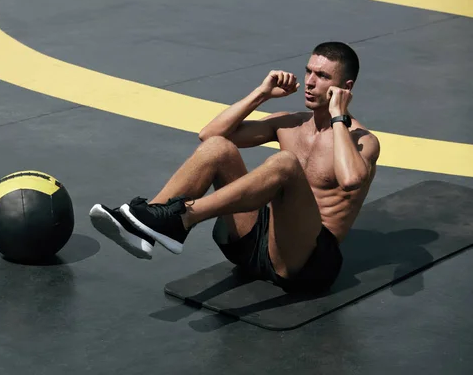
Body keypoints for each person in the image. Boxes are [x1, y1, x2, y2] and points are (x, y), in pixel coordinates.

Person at [89, 41, 380, 294]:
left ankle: (184, 217)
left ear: (346, 87)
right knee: (219, 148)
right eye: (309, 71)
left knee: (285, 163)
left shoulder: (363, 140)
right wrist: (261, 94)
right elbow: (210, 135)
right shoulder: (290, 123)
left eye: (323, 76)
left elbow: (351, 179)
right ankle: (148, 225)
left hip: (305, 263)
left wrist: (338, 116)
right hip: (257, 242)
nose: (310, 82)